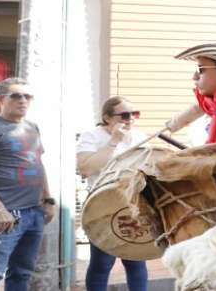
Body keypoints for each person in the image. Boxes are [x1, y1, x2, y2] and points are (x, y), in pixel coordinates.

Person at [0, 78, 55, 291]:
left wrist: (48, 200)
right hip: (6, 215)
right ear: (0, 99)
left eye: (27, 96)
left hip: (34, 212)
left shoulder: (32, 127)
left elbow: (38, 164)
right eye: (16, 95)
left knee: (22, 274)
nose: (23, 100)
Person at [76, 96, 148, 291]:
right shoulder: (92, 136)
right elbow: (86, 168)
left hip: (134, 202)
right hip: (103, 205)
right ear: (107, 118)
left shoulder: (139, 136)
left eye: (135, 114)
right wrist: (114, 141)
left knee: (136, 259)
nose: (131, 119)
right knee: (102, 261)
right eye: (125, 115)